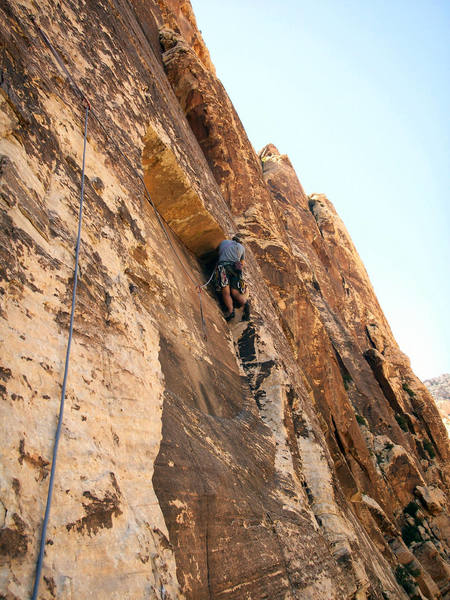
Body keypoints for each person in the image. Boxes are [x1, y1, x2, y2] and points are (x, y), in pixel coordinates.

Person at [215, 234, 250, 321]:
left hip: (224, 267)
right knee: (235, 292)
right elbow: (242, 263)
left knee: (226, 291)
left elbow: (218, 252)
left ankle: (231, 312)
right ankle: (246, 305)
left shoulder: (224, 242)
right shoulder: (242, 248)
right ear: (240, 242)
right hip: (236, 269)